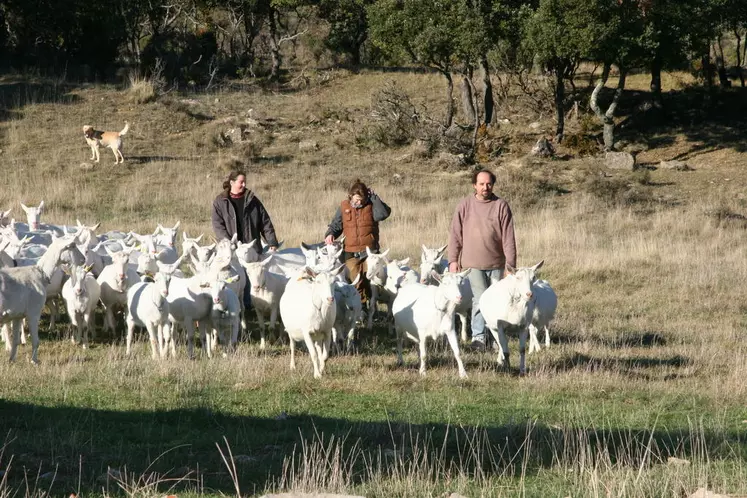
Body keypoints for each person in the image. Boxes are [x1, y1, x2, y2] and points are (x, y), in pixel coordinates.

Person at [447, 169, 516, 351]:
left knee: (497, 300)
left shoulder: (501, 205)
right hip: (472, 264)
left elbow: (509, 238)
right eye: (481, 184)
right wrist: (453, 260)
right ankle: (478, 337)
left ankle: (494, 336)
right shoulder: (464, 206)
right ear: (474, 185)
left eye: (489, 184)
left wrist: (510, 265)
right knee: (479, 299)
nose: (485, 187)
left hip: (496, 264)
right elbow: (455, 235)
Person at [212, 170, 279, 309]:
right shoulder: (220, 201)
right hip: (230, 249)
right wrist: (228, 243)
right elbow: (218, 225)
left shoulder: (252, 199)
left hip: (250, 248)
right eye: (240, 182)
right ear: (232, 183)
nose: (244, 184)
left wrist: (271, 242)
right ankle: (231, 304)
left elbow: (265, 222)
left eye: (245, 182)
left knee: (252, 276)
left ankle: (253, 306)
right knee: (232, 276)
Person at [324, 179, 391, 308]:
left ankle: (372, 308)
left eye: (361, 200)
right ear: (350, 197)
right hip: (350, 251)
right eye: (355, 200)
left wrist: (375, 198)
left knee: (370, 280)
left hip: (370, 251)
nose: (358, 203)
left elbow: (382, 215)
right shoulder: (344, 206)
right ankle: (360, 308)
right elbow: (336, 225)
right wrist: (330, 234)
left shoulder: (372, 204)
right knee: (355, 281)